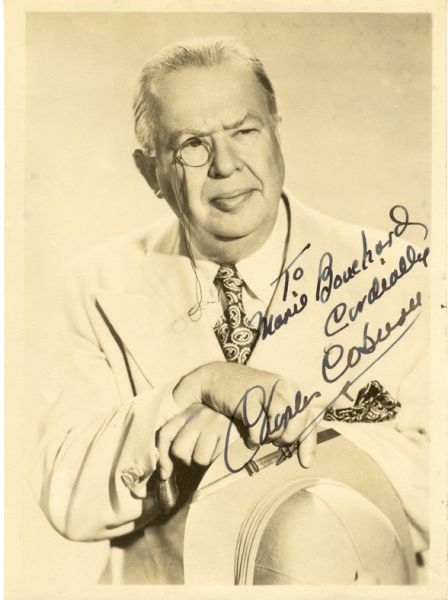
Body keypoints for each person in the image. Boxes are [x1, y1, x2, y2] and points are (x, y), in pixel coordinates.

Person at [31, 36, 430, 584]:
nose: (225, 165)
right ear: (150, 173)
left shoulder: (402, 272)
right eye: (193, 145)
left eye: (244, 131)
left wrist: (252, 440)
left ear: (277, 132)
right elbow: (66, 494)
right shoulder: (94, 283)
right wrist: (194, 389)